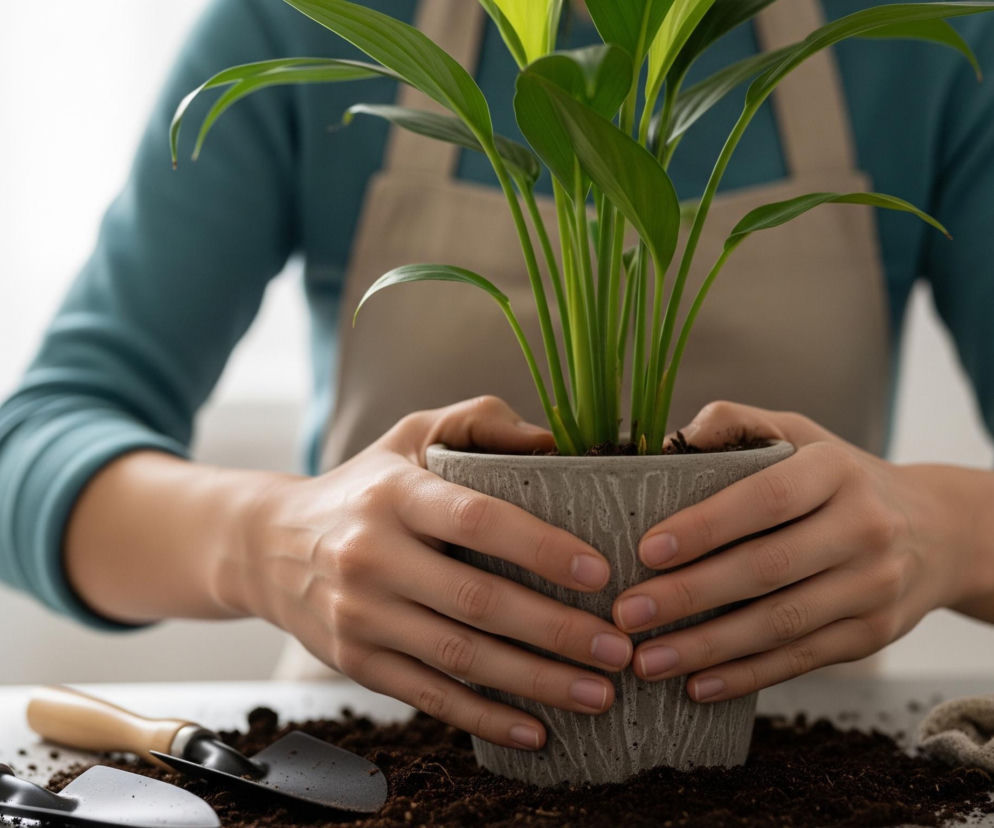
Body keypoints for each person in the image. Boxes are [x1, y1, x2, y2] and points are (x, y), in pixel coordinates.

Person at [1, 0, 993, 754]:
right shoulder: (298, 18)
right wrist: (266, 541)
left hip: (796, 763)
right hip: (379, 760)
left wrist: (942, 531)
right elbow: (33, 447)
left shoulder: (918, 34)